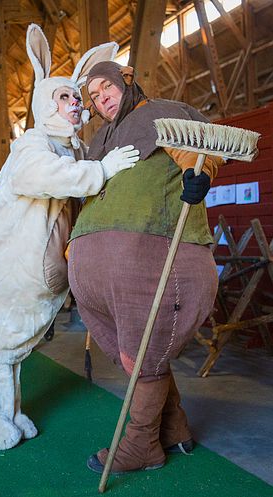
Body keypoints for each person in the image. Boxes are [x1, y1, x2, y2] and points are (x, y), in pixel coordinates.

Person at [0, 25, 139, 451]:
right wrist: (102, 171)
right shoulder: (34, 144)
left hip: (29, 272)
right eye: (62, 97)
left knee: (10, 347)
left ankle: (9, 410)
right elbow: (36, 176)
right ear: (44, 103)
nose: (74, 104)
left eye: (75, 97)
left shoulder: (73, 150)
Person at [69, 60, 222, 475]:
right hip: (103, 273)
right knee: (141, 353)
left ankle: (141, 445)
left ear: (127, 80)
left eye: (107, 88)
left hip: (153, 255)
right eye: (95, 97)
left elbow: (199, 155)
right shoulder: (103, 138)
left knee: (143, 353)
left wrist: (200, 175)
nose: (103, 100)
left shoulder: (163, 113)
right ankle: (173, 428)